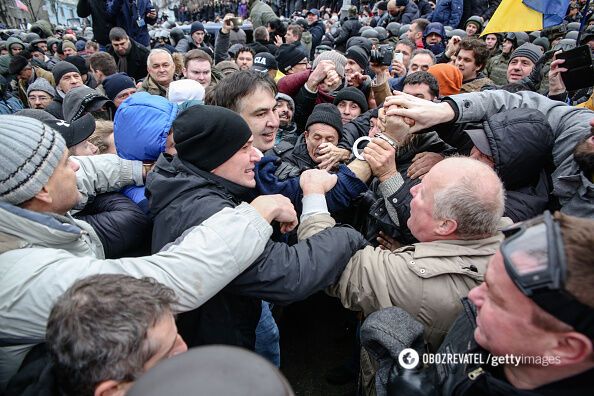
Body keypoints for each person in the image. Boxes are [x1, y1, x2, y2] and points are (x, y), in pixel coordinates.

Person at [0, 115, 291, 390]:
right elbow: (166, 281)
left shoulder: (22, 206)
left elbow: (89, 171)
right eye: (65, 164)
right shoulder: (22, 276)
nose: (77, 166)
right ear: (42, 191)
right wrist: (256, 215)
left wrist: (142, 169)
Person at [146, 105, 367, 353]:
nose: (257, 156)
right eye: (244, 148)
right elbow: (291, 274)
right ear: (214, 155)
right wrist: (349, 236)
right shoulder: (207, 211)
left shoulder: (187, 187)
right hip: (215, 351)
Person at [383, 90, 594, 217]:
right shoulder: (580, 130)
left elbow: (441, 227)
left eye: (486, 155)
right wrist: (443, 113)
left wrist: (387, 176)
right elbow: (518, 107)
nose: (592, 122)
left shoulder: (513, 210)